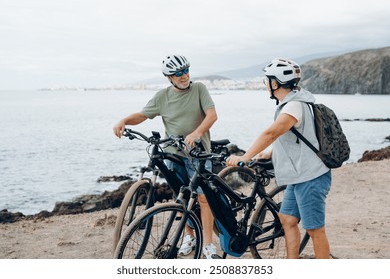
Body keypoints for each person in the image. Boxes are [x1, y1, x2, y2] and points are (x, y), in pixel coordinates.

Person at [113, 54, 218, 259]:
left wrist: (197, 133)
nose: (183, 75)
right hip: (173, 154)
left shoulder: (199, 89)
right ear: (169, 77)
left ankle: (207, 244)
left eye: (185, 70)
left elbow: (212, 115)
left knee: (204, 199)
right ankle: (189, 237)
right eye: (178, 73)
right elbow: (143, 115)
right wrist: (123, 120)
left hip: (198, 154)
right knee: (180, 198)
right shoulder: (162, 96)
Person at [226, 58, 332, 259]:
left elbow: (272, 133)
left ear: (275, 83)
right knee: (287, 218)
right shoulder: (295, 102)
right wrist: (271, 153)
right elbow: (295, 136)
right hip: (298, 176)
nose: (265, 84)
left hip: (310, 176)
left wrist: (245, 157)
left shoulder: (293, 106)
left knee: (315, 230)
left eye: (267, 81)